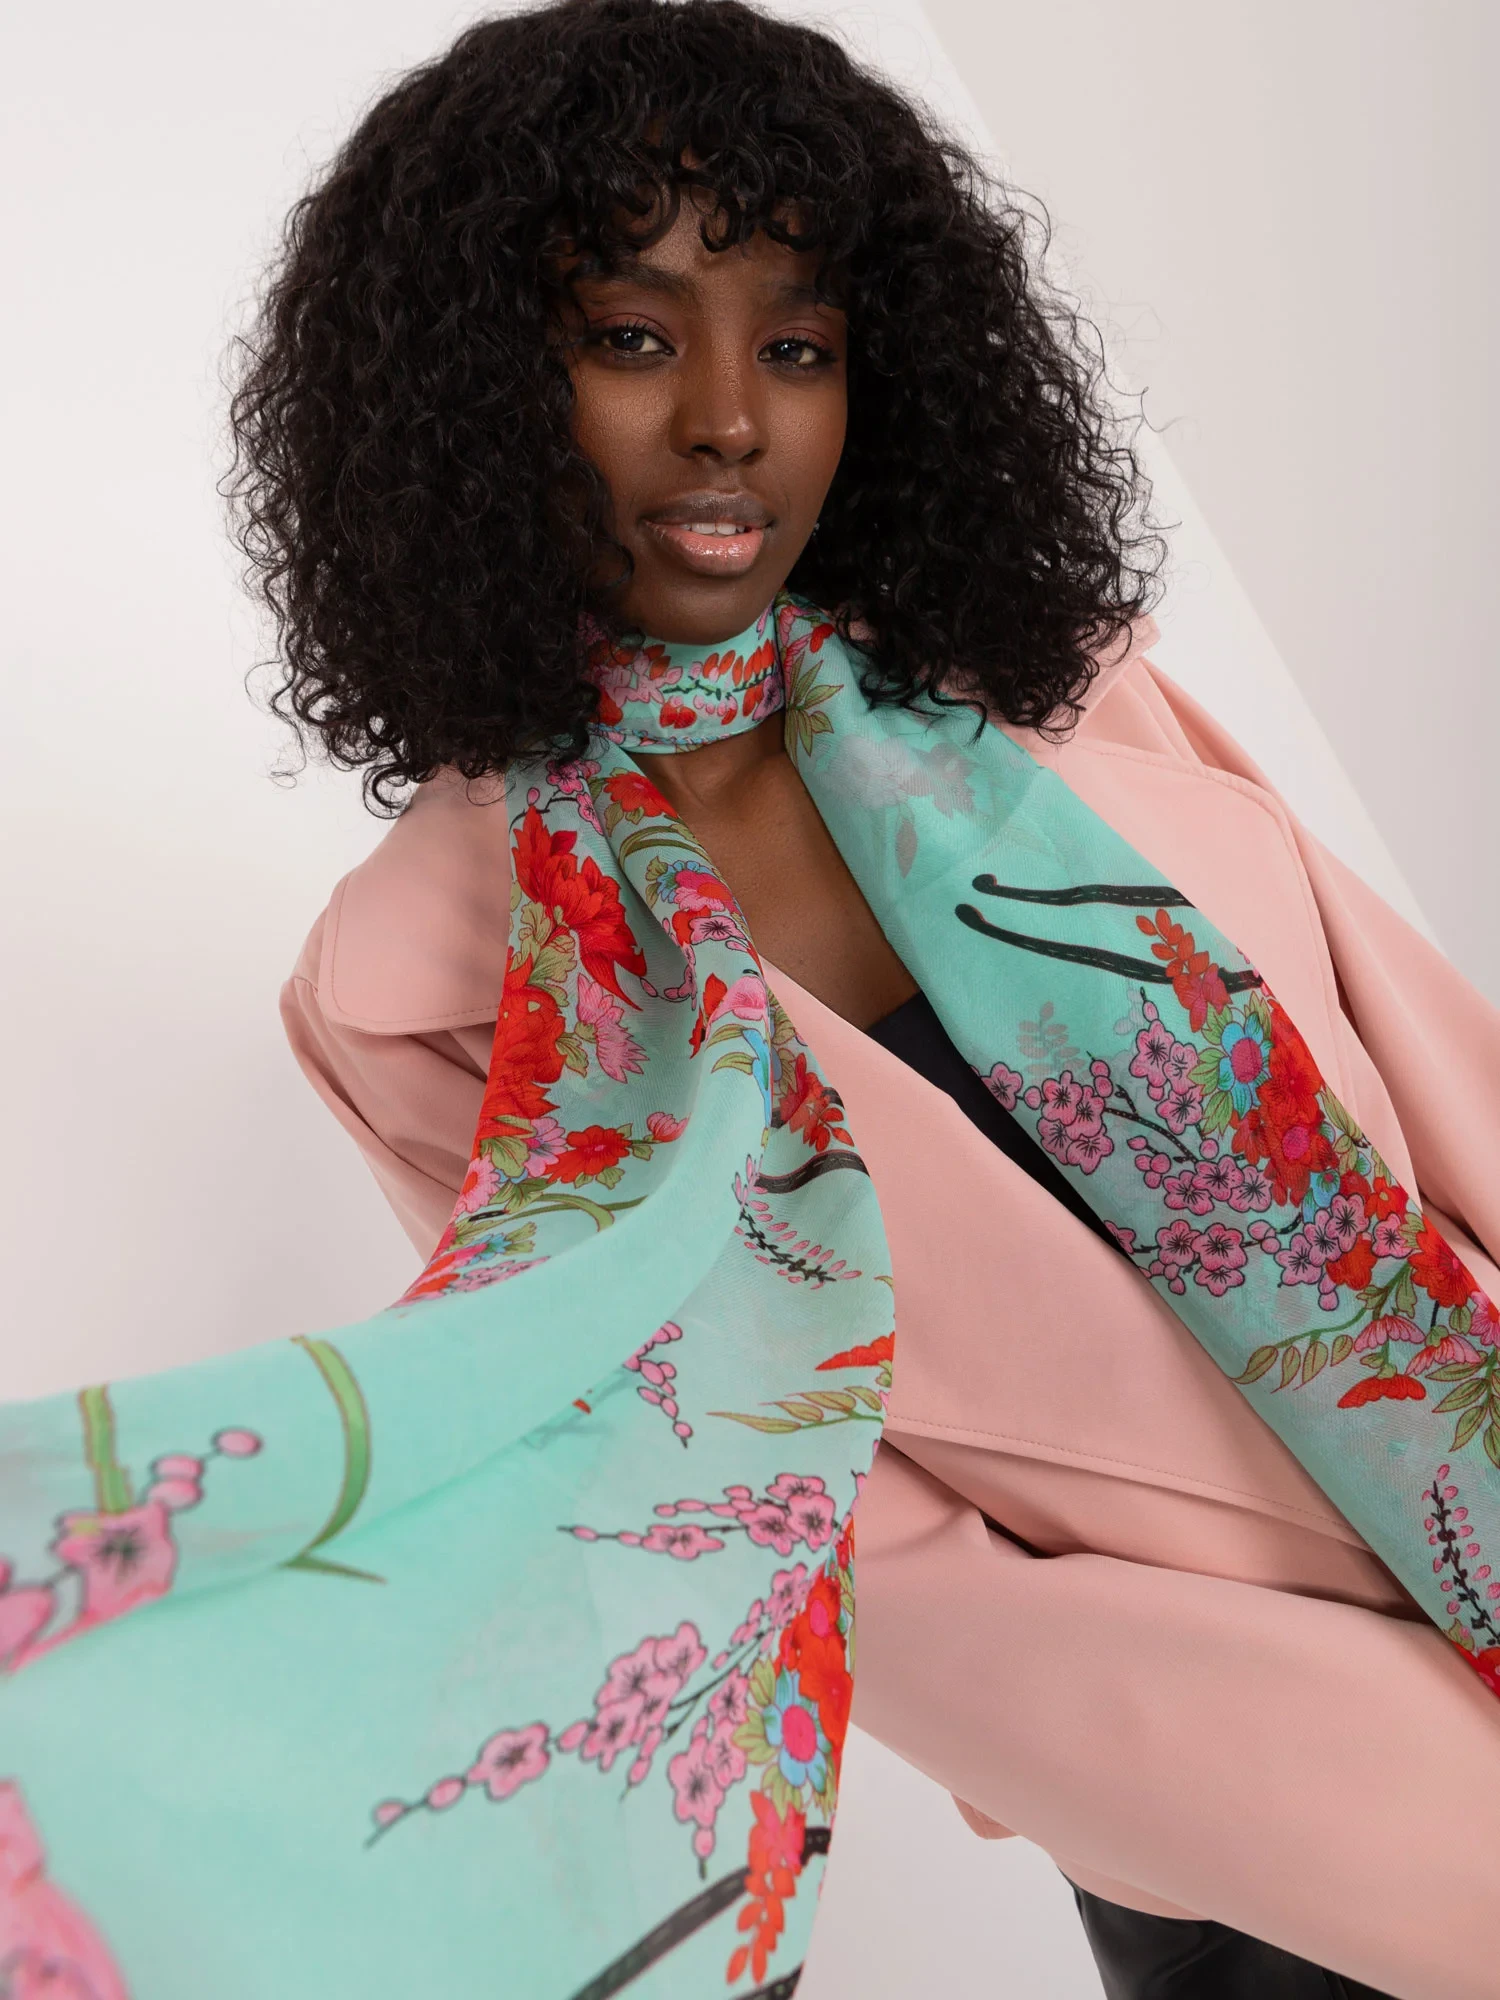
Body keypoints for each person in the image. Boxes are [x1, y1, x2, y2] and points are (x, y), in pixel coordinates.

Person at [238, 3, 1500, 1995]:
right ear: (474, 390)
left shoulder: (1069, 688)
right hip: (1283, 1838)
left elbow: (1448, 1109)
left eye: (799, 343)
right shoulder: (445, 1000)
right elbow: (831, 1539)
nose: (731, 420)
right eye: (633, 335)